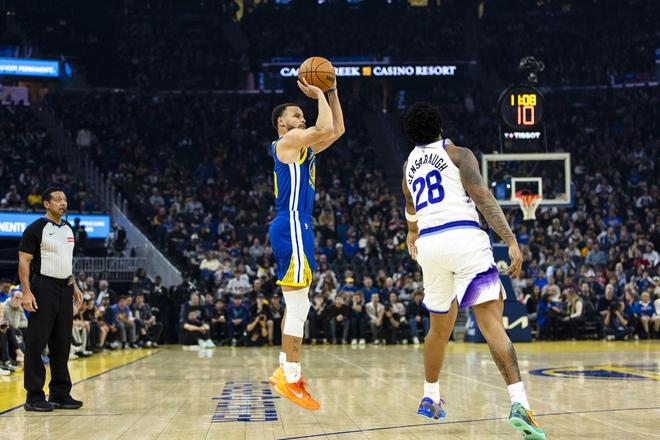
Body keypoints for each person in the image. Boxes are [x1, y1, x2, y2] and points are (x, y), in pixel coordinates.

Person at [401, 103, 545, 438]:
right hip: (463, 238)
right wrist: (510, 240)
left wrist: (411, 233)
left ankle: (430, 397)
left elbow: (410, 206)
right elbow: (483, 198)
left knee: (438, 330)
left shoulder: (408, 165)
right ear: (440, 126)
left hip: (429, 246)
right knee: (492, 323)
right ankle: (519, 403)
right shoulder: (458, 154)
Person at [267, 76, 345, 411]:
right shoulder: (288, 141)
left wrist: (333, 92)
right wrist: (318, 93)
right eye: (297, 115)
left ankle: (285, 370)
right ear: (281, 123)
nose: (303, 119)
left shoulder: (302, 148)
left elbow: (336, 130)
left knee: (296, 305)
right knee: (299, 307)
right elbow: (323, 126)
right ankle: (292, 377)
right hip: (292, 223)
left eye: (303, 115)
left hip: (297, 225)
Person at [17, 187, 84, 411]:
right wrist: (26, 292)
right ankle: (34, 396)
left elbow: (65, 261)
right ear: (46, 204)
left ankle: (60, 393)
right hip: (43, 287)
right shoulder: (36, 228)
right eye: (58, 199)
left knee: (62, 342)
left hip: (65, 288)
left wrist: (74, 285)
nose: (63, 203)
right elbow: (24, 261)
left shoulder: (68, 229)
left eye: (65, 199)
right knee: (37, 342)